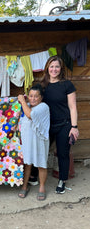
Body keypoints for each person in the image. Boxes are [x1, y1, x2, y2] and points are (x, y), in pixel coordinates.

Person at [41, 55, 79, 194]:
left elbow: (73, 107)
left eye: (57, 66)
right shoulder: (42, 85)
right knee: (41, 152)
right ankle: (35, 177)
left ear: (61, 68)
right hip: (47, 126)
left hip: (64, 124)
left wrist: (74, 127)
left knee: (63, 153)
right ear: (47, 68)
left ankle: (62, 180)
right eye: (51, 66)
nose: (54, 69)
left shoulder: (67, 85)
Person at [18, 84, 50, 200]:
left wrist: (22, 101)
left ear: (41, 97)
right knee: (27, 164)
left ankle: (42, 187)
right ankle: (25, 185)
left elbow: (30, 115)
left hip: (40, 141)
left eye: (36, 96)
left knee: (41, 164)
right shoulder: (26, 106)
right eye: (30, 96)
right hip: (28, 141)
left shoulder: (43, 107)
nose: (33, 98)